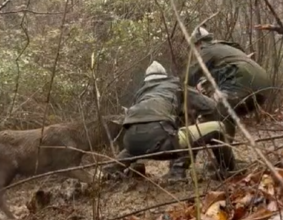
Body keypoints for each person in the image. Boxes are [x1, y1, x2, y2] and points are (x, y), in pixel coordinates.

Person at [102, 60, 236, 181]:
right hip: (162, 141)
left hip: (131, 143)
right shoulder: (175, 85)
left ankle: (112, 169)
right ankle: (228, 170)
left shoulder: (141, 94)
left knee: (142, 136)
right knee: (218, 127)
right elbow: (210, 106)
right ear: (165, 76)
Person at [187, 26, 272, 142]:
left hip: (242, 83)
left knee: (214, 111)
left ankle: (218, 156)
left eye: (194, 47)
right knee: (226, 113)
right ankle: (225, 153)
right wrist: (204, 85)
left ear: (199, 43)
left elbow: (188, 77)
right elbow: (223, 73)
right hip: (264, 88)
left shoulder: (207, 50)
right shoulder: (225, 48)